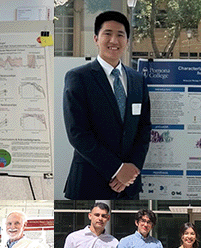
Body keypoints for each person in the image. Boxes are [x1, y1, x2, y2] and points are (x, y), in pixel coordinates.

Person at [62, 11, 150, 199]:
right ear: (96, 39)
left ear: (127, 40)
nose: (114, 40)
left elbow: (144, 128)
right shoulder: (79, 77)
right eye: (107, 34)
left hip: (128, 187)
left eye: (120, 35)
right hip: (89, 181)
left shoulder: (137, 80)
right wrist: (117, 169)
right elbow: (77, 133)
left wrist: (131, 170)